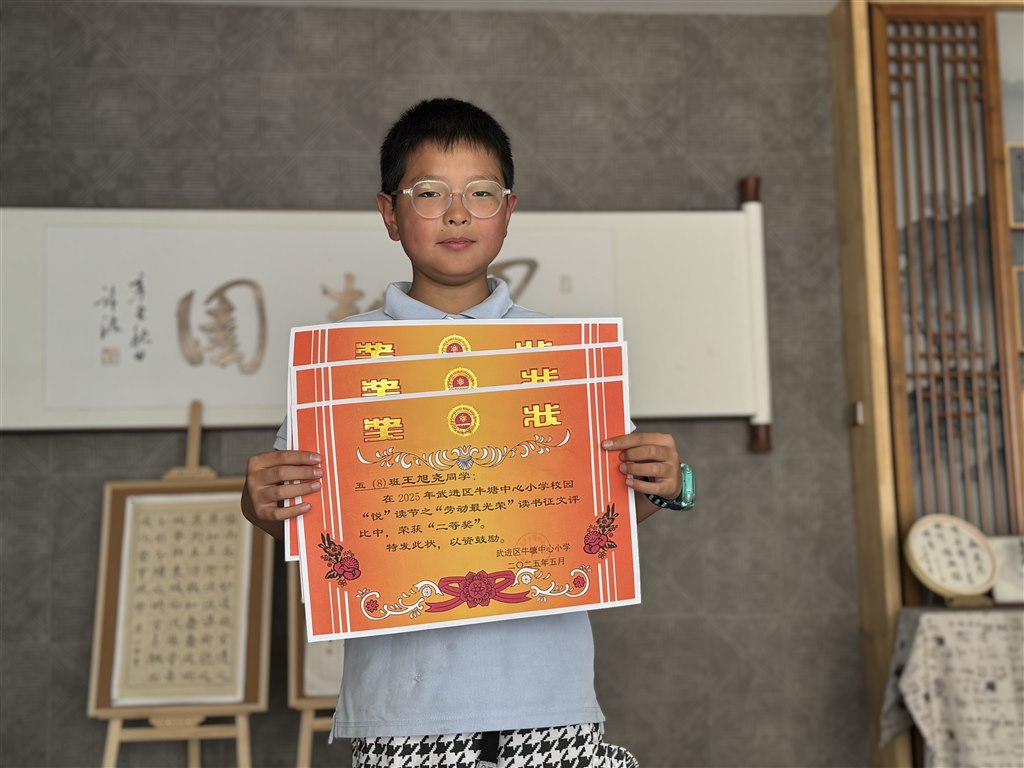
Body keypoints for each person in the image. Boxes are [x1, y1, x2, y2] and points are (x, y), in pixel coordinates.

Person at [241, 98, 688, 767]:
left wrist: (668, 483)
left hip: (548, 702)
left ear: (508, 211)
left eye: (481, 192)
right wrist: (258, 505)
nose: (457, 213)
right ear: (389, 213)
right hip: (404, 714)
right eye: (429, 193)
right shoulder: (339, 359)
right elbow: (307, 521)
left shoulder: (561, 353)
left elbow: (605, 508)